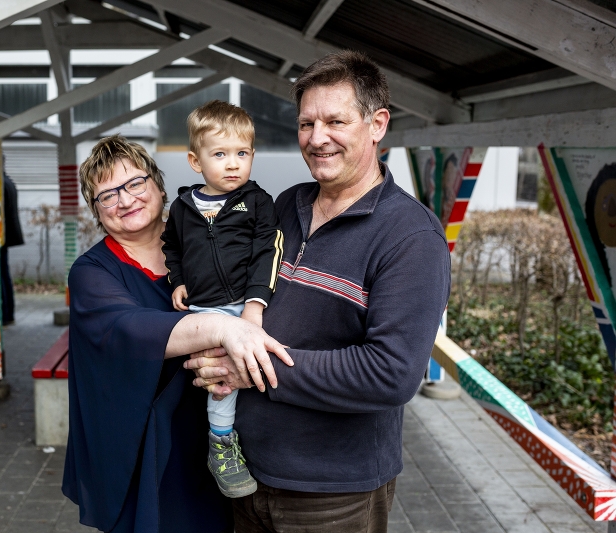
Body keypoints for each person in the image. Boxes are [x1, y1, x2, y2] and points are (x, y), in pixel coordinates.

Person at [185, 50, 452, 532]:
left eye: (335, 121)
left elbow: (391, 374)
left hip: (331, 495)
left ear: (378, 124)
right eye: (307, 123)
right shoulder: (286, 205)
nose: (317, 138)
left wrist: (250, 368)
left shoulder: (411, 237)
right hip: (246, 472)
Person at [62, 134, 294, 533]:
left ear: (158, 184)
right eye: (107, 195)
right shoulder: (91, 273)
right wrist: (224, 328)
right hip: (151, 444)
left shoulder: (205, 242)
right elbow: (129, 329)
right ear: (96, 211)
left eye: (135, 183)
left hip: (225, 434)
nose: (125, 199)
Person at [161, 100, 282, 499]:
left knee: (230, 380)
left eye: (242, 154)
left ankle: (223, 443)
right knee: (218, 380)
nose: (233, 164)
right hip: (202, 311)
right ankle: (220, 444)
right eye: (220, 154)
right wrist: (178, 279)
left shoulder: (257, 202)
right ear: (196, 161)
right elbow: (172, 248)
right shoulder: (182, 208)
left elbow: (269, 250)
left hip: (243, 307)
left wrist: (255, 302)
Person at [0, 172, 24, 326]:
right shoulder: (8, 181)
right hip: (6, 236)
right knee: (4, 275)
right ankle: (8, 314)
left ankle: (4, 315)